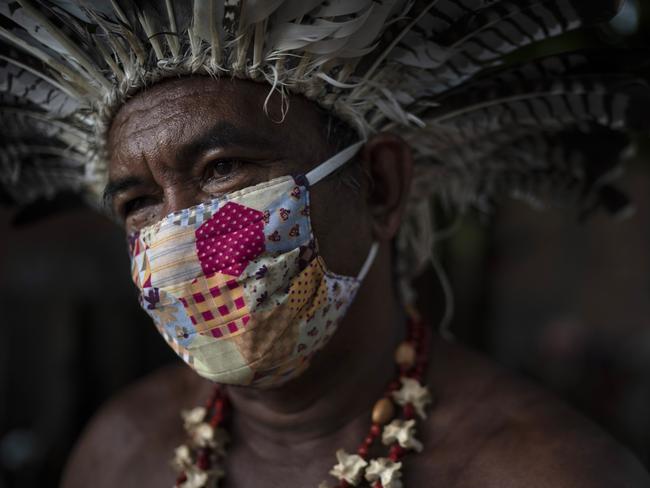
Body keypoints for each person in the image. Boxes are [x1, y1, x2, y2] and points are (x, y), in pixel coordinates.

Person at [1, 1, 649, 487]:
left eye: (222, 168)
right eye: (139, 202)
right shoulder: (120, 453)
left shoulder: (548, 471)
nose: (178, 246)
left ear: (379, 188)